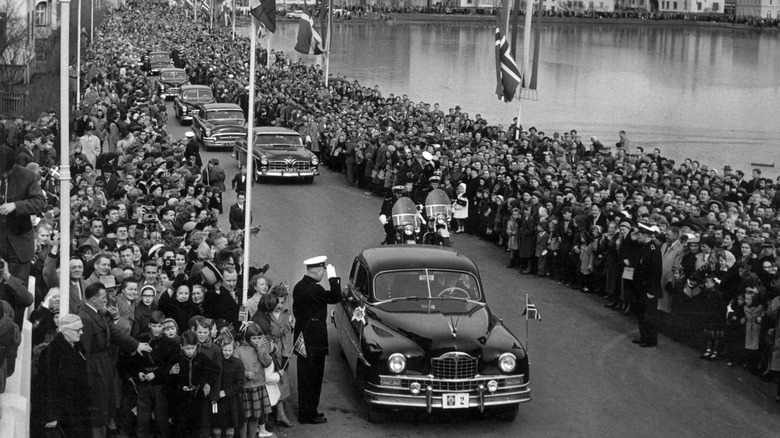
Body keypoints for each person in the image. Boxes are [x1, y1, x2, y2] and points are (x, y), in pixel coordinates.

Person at [78, 282, 152, 438]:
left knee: (105, 404)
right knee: (97, 406)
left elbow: (115, 333)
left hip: (104, 364)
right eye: (103, 297)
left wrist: (136, 345)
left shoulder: (100, 313)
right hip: (95, 368)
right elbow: (85, 351)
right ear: (93, 299)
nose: (107, 300)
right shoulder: (85, 317)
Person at [293, 256, 343, 424]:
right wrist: (333, 278)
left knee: (304, 376)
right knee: (314, 377)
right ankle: (310, 413)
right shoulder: (316, 289)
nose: (323, 274)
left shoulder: (299, 287)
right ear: (318, 271)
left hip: (302, 335)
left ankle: (304, 412)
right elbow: (335, 297)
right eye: (323, 271)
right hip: (315, 336)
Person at [32, 314, 91, 438]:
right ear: (65, 331)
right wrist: (51, 415)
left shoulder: (77, 346)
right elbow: (46, 385)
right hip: (64, 413)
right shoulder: (51, 352)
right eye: (77, 330)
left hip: (76, 409)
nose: (81, 332)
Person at [0, 145, 46, 285]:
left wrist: (16, 205)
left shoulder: (27, 176)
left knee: (18, 292)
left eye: (7, 172)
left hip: (19, 247)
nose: (4, 175)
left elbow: (39, 202)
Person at [168, 330, 219, 438]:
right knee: (180, 426)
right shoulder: (176, 358)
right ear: (181, 346)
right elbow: (168, 380)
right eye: (187, 348)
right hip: (180, 398)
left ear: (197, 346)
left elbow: (216, 370)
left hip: (196, 396)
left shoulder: (201, 358)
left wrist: (208, 384)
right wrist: (171, 371)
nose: (190, 351)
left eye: (192, 348)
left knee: (195, 426)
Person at [632, 223, 663, 348]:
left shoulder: (653, 249)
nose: (637, 236)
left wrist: (651, 290)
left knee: (648, 315)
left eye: (639, 234)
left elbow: (655, 272)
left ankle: (650, 339)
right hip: (641, 287)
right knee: (641, 313)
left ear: (644, 234)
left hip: (649, 288)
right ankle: (644, 336)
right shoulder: (645, 247)